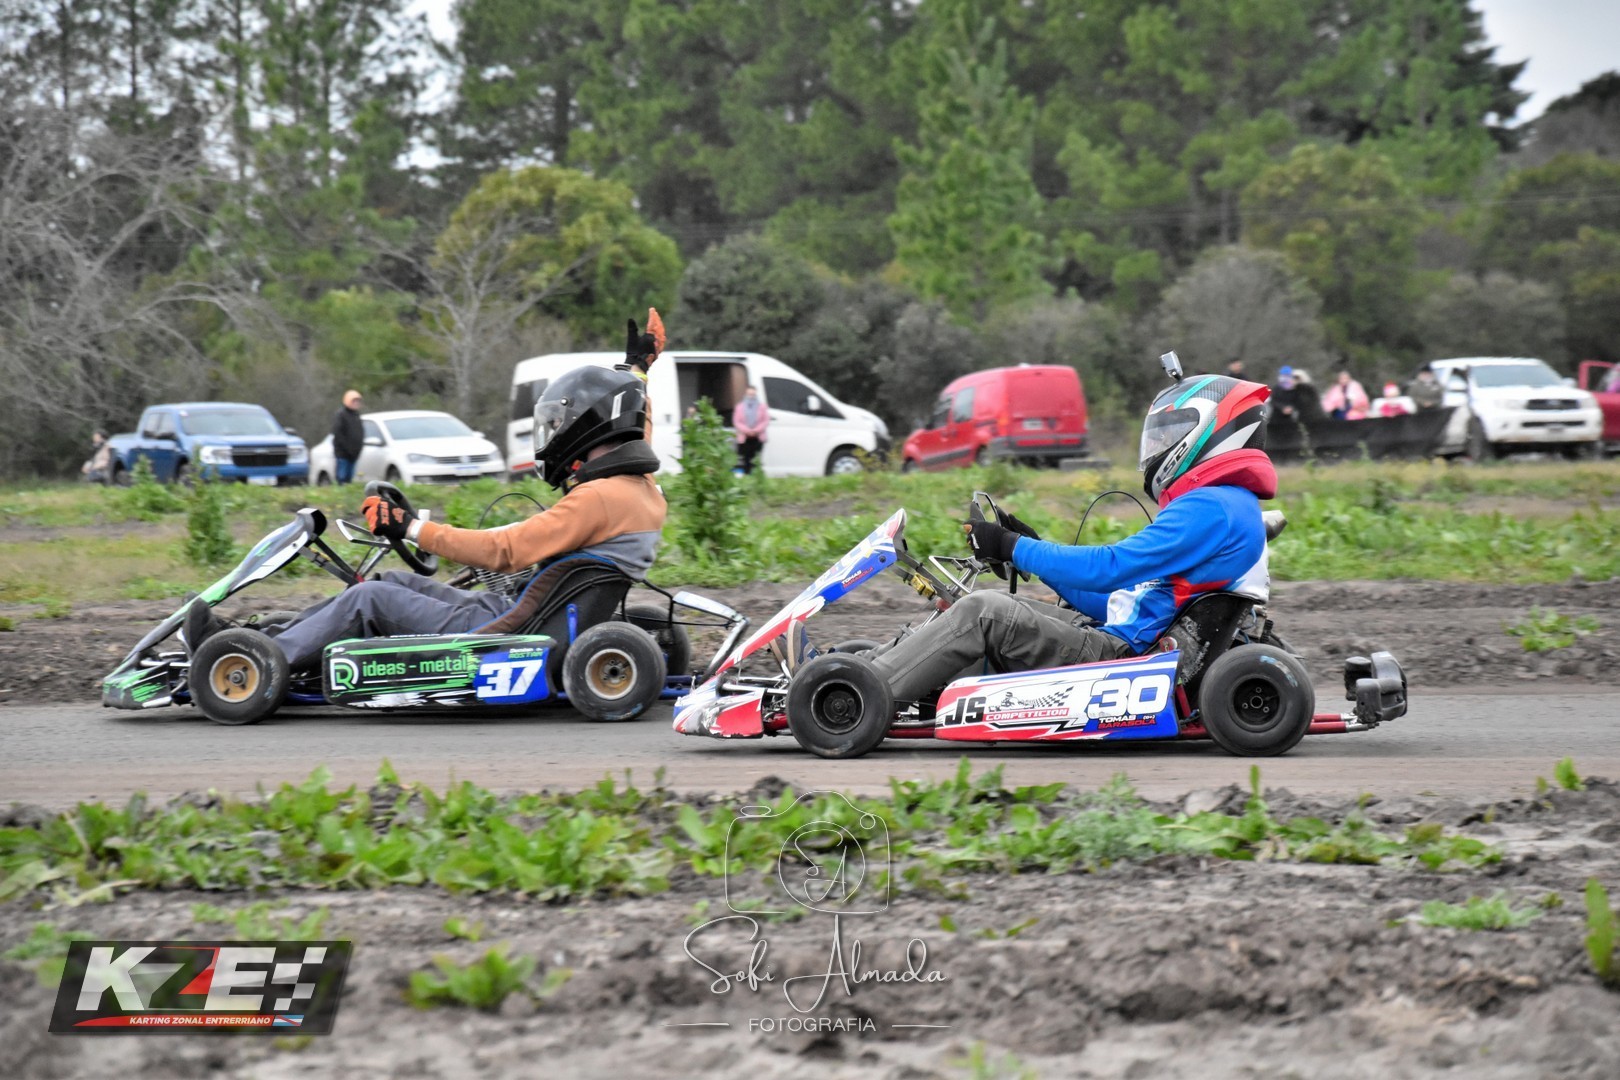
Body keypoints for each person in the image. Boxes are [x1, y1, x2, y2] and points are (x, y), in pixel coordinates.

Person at [185, 310, 669, 672]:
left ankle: (256, 659)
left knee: (369, 599)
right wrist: (638, 370)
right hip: (526, 612)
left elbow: (505, 551)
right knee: (388, 583)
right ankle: (259, 638)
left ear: (584, 429)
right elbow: (631, 425)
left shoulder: (598, 499)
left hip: (504, 628)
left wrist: (411, 528)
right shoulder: (639, 489)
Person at [868, 373, 1275, 707]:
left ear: (1212, 432)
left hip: (1121, 658)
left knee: (983, 611)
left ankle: (864, 694)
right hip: (1123, 643)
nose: (1157, 448)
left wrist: (1013, 547)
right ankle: (865, 668)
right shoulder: (1226, 505)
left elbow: (1110, 568)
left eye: (1168, 434)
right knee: (980, 607)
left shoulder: (1212, 507)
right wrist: (1029, 552)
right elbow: (1116, 603)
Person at [330, 390, 364, 484]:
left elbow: (360, 432)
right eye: (354, 401)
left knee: (349, 478)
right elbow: (338, 433)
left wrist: (358, 448)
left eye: (358, 401)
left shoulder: (356, 415)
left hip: (354, 454)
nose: (356, 403)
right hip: (343, 454)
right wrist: (347, 449)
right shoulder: (341, 415)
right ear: (348, 401)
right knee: (342, 477)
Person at [732, 385, 768, 475]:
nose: (751, 396)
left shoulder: (762, 406)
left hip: (758, 437)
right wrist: (747, 431)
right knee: (746, 459)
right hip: (744, 437)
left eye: (753, 394)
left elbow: (765, 420)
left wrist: (755, 430)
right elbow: (736, 421)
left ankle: (756, 477)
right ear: (746, 394)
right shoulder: (739, 407)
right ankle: (747, 476)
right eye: (749, 394)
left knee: (756, 459)